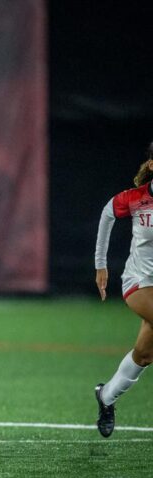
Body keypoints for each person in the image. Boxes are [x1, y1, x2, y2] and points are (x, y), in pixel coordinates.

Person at [94, 141, 153, 437]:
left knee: (143, 355)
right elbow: (107, 214)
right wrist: (100, 263)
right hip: (139, 282)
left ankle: (106, 397)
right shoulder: (136, 199)